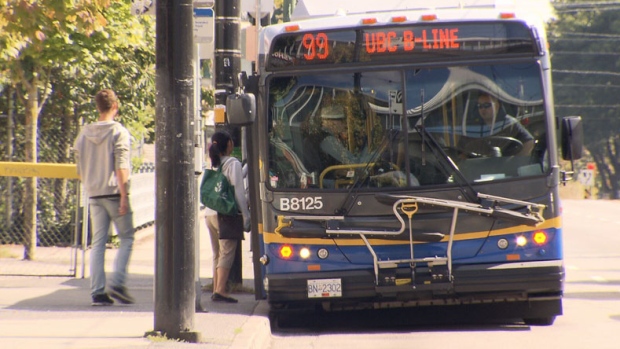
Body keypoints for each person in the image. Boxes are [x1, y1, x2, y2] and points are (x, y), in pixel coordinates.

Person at [73, 89, 135, 306]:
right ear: (115, 106)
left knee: (98, 243)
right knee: (127, 238)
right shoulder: (119, 132)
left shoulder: (83, 133)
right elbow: (121, 166)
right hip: (114, 192)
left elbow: (79, 167)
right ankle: (118, 282)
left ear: (97, 107)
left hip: (94, 194)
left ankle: (98, 292)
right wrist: (124, 195)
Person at [208, 131, 251, 303]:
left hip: (210, 213)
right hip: (225, 214)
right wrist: (246, 217)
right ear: (229, 145)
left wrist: (246, 167)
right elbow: (238, 193)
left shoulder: (214, 164)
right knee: (227, 253)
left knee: (217, 254)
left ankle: (216, 288)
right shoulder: (233, 163)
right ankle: (220, 291)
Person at [469, 92, 534, 156]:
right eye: (480, 106)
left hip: (506, 164)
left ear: (497, 106)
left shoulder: (510, 123)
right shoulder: (473, 126)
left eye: (486, 105)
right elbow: (464, 148)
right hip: (480, 164)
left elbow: (529, 142)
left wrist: (517, 161)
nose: (483, 109)